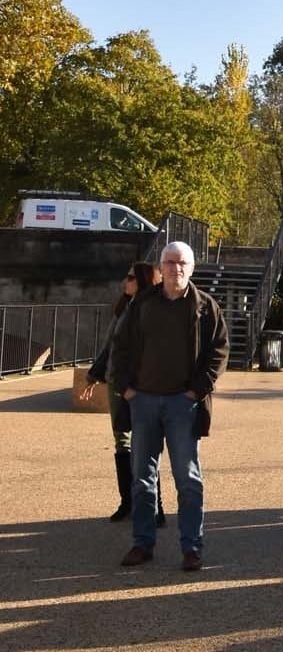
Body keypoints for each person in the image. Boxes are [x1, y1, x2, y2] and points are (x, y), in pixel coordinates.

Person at [112, 241, 228, 572]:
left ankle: (192, 547)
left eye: (182, 263)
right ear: (160, 268)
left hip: (183, 403)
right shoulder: (142, 304)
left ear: (191, 269)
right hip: (144, 401)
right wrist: (126, 389)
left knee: (188, 478)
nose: (175, 268)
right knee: (142, 478)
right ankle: (142, 543)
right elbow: (119, 346)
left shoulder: (205, 307)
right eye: (169, 262)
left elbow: (219, 351)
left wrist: (196, 390)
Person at [82, 262, 162, 521]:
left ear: (142, 281)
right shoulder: (123, 307)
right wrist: (95, 374)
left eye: (130, 278)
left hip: (141, 386)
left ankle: (153, 505)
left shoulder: (152, 308)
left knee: (146, 443)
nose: (124, 282)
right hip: (117, 383)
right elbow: (110, 347)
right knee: (122, 441)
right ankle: (127, 501)